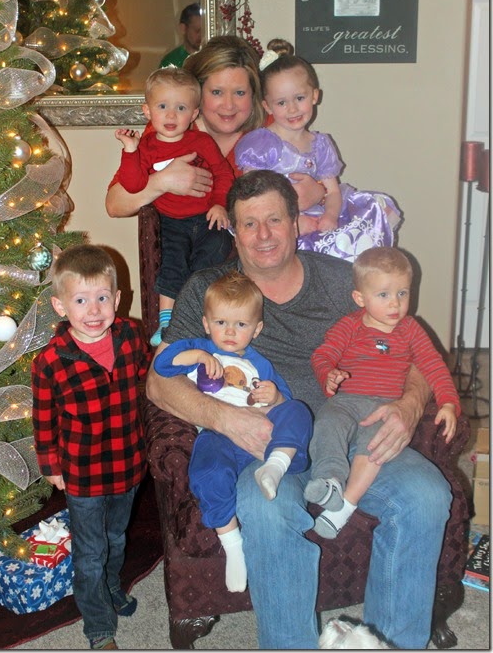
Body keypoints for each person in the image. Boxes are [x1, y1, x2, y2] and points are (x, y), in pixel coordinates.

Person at [146, 169, 452, 650]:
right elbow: (158, 382)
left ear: (295, 223)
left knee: (426, 495)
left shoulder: (341, 282)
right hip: (260, 445)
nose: (263, 235)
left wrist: (411, 406)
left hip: (348, 432)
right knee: (264, 508)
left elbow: (416, 351)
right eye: (249, 224)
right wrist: (227, 419)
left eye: (274, 220)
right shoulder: (209, 290)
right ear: (233, 232)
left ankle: (390, 644)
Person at [154, 271, 312, 593]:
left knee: (298, 411)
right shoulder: (201, 351)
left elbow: (284, 401)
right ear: (206, 323)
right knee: (206, 469)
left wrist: (275, 397)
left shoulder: (260, 364)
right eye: (221, 322)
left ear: (257, 329)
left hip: (263, 439)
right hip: (219, 436)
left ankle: (276, 466)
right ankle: (233, 546)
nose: (229, 331)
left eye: (240, 324)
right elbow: (162, 366)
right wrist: (198, 355)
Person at [31, 245, 152, 651]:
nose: (94, 310)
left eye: (102, 297)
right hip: (82, 473)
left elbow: (147, 375)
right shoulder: (50, 362)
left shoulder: (131, 335)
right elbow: (43, 418)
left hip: (128, 462)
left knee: (116, 538)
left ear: (117, 299)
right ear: (61, 306)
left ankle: (111, 586)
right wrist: (51, 466)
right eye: (81, 301)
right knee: (90, 551)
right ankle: (98, 626)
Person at [307, 246, 460, 539]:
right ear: (360, 298)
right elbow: (322, 355)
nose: (395, 304)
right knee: (327, 422)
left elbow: (433, 366)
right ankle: (330, 481)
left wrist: (449, 402)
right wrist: (329, 374)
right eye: (384, 295)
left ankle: (344, 507)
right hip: (347, 401)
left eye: (402, 293)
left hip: (386, 406)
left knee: (375, 446)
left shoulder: (410, 330)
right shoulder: (349, 326)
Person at [105, 35, 325, 222]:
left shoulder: (272, 129)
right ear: (198, 93)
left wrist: (319, 192)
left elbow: (320, 175)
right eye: (217, 92)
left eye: (239, 93)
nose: (228, 105)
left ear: (254, 94)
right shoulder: (169, 131)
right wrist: (162, 182)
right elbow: (114, 205)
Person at [235, 41, 401, 260]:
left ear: (314, 96)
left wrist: (330, 216)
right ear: (267, 106)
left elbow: (332, 192)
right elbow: (251, 197)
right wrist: (292, 222)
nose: (292, 109)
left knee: (373, 209)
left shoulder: (320, 144)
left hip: (317, 216)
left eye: (300, 98)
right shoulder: (261, 144)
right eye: (281, 102)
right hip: (274, 224)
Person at [114, 67, 234, 344]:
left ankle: (196, 311)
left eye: (180, 108)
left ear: (193, 114)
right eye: (162, 107)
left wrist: (219, 204)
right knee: (172, 261)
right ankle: (166, 322)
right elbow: (133, 185)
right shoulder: (145, 148)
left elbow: (223, 174)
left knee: (217, 248)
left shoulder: (202, 142)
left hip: (205, 217)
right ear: (147, 111)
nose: (171, 115)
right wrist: (130, 150)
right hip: (170, 221)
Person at [159, 2, 202, 68]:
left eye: (203, 30)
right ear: (183, 28)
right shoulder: (170, 62)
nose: (201, 35)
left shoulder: (211, 57)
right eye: (197, 31)